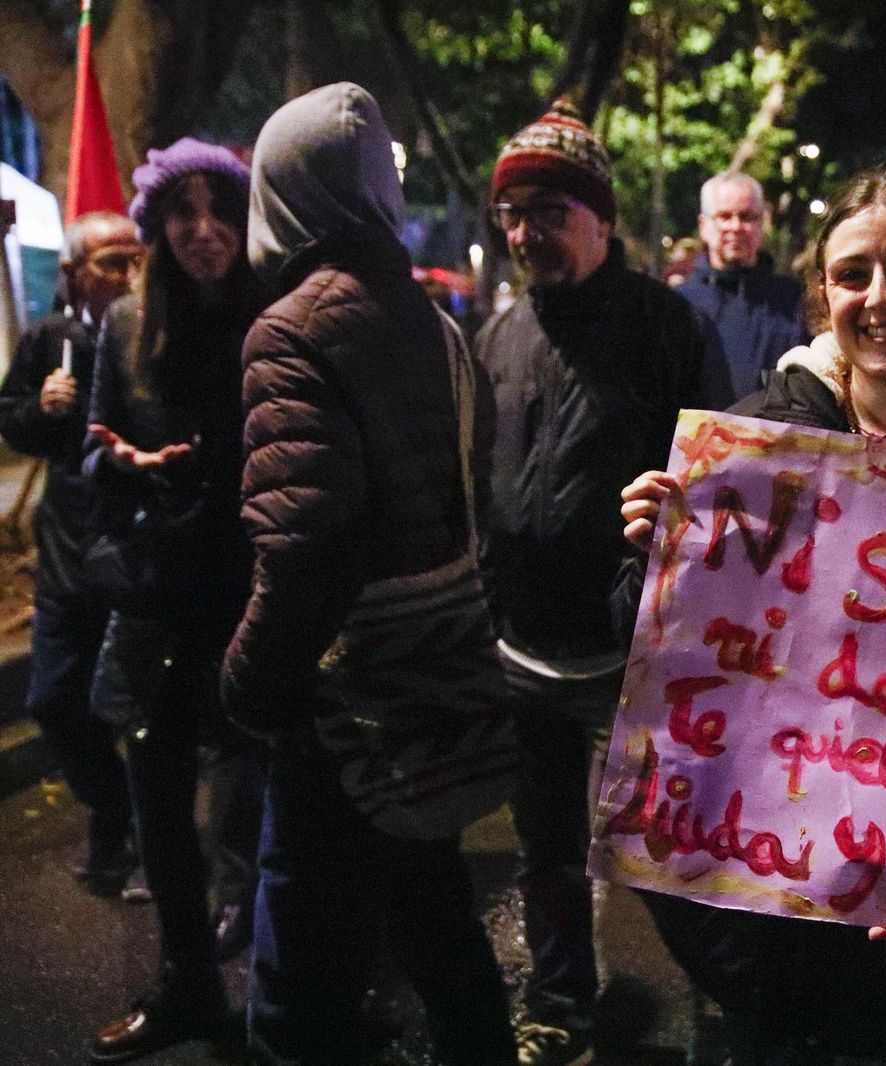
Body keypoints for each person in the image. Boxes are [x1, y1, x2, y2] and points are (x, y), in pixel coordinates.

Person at [617, 165, 886, 1066]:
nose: (881, 297)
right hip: (766, 938)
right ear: (822, 292)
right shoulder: (756, 437)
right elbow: (659, 681)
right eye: (853, 274)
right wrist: (652, 562)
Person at [220, 81, 517, 1066]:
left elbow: (301, 541)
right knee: (434, 914)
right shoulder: (431, 322)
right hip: (434, 678)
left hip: (341, 699)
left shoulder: (290, 329)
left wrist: (250, 683)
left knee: (300, 970)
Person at [475, 99, 733, 1065]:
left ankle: (727, 997)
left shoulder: (673, 330)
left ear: (603, 219)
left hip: (638, 649)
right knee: (546, 850)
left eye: (550, 210)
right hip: (522, 643)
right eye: (515, 212)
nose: (526, 231)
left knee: (677, 849)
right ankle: (559, 1002)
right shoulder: (498, 335)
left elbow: (721, 494)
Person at [84, 138, 265, 1063]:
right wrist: (122, 462)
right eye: (181, 215)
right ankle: (186, 982)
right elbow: (91, 450)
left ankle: (292, 991)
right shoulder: (121, 326)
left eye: (217, 212)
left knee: (258, 791)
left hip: (249, 594)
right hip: (159, 594)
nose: (201, 232)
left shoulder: (269, 317)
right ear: (157, 228)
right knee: (157, 798)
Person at [0, 211, 142, 896]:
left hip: (137, 544)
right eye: (111, 262)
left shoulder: (153, 333)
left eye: (133, 258)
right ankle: (114, 807)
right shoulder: (51, 340)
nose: (126, 274)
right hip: (66, 549)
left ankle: (139, 838)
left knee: (142, 706)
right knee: (56, 698)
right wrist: (40, 407)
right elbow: (13, 420)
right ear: (75, 273)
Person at [676, 171, 809, 398]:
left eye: (747, 217)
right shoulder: (677, 303)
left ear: (762, 223)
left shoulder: (794, 301)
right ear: (703, 225)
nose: (736, 227)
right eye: (724, 216)